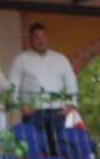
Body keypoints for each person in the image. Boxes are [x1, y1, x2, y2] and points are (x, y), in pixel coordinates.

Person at [8, 23, 78, 152]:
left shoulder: (60, 59)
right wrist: (22, 106)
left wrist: (69, 106)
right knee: (31, 148)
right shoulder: (21, 59)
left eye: (44, 37)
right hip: (33, 112)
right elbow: (13, 85)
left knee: (57, 149)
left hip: (57, 112)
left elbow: (71, 83)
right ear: (30, 39)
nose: (41, 40)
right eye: (37, 37)